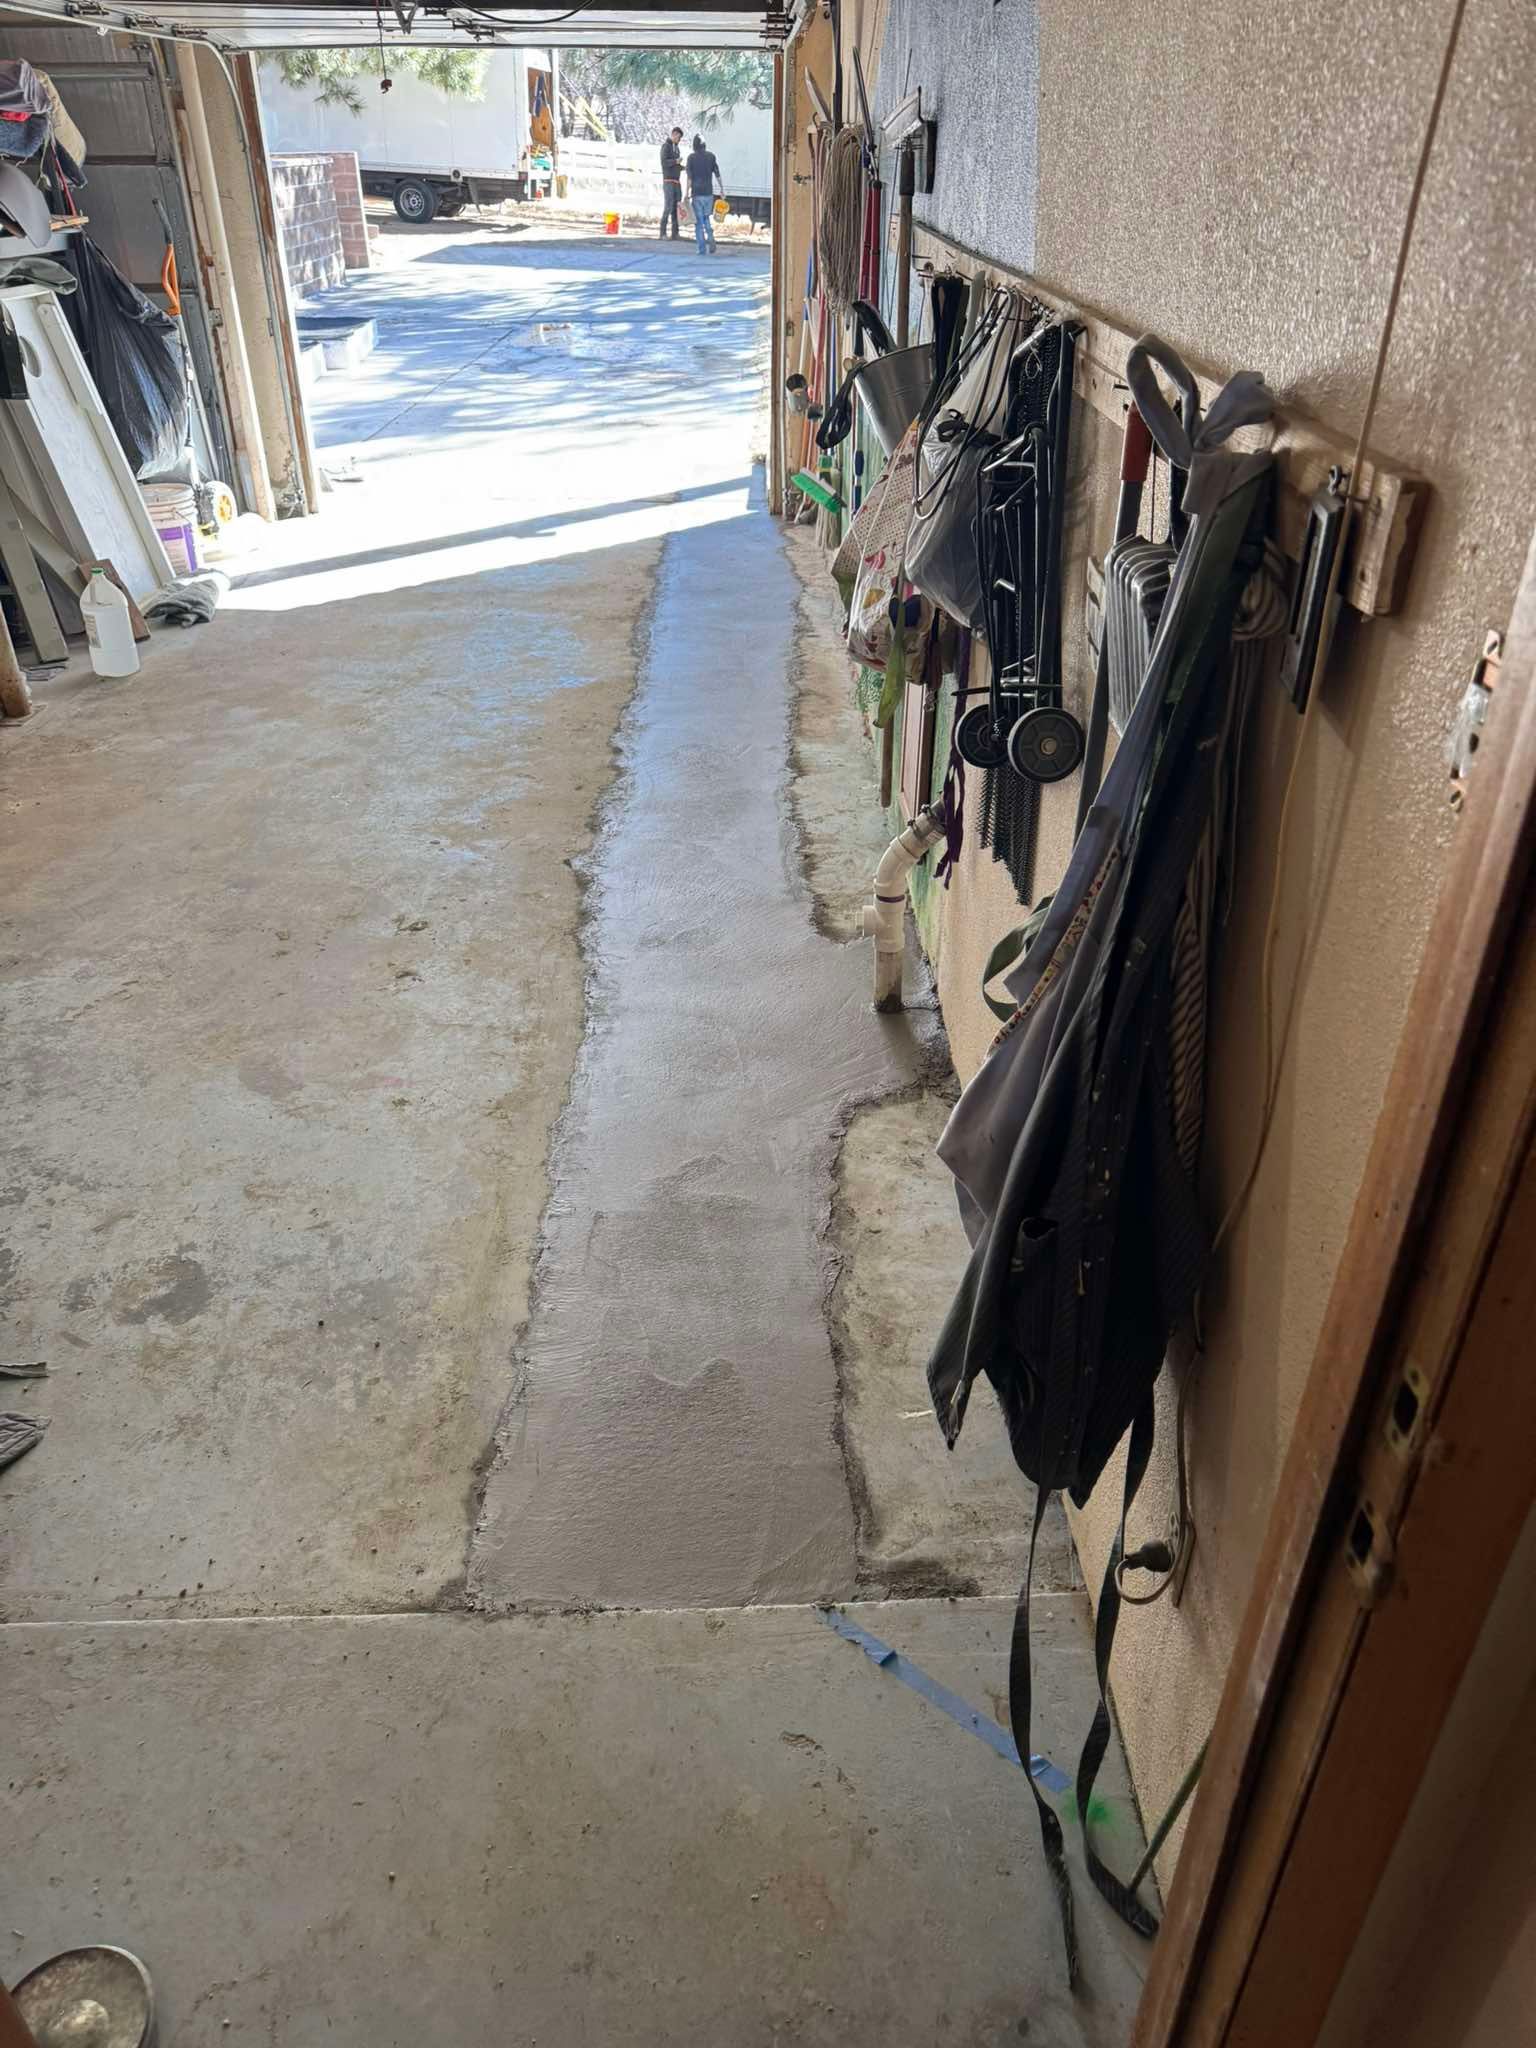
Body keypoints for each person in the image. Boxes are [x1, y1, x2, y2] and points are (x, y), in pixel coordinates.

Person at [686, 133, 723, 254]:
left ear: (694, 145)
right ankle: (711, 238)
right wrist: (722, 189)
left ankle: (701, 248)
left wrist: (686, 193)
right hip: (708, 193)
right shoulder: (711, 156)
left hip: (697, 194)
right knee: (706, 218)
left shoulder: (691, 158)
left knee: (698, 222)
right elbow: (717, 174)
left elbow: (689, 178)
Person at [659, 127, 683, 240]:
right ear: (674, 134)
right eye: (678, 137)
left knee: (676, 207)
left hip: (676, 181)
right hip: (668, 181)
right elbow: (664, 163)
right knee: (668, 206)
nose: (679, 140)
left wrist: (683, 167)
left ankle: (675, 232)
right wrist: (675, 161)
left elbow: (676, 165)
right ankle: (662, 232)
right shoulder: (666, 146)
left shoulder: (677, 149)